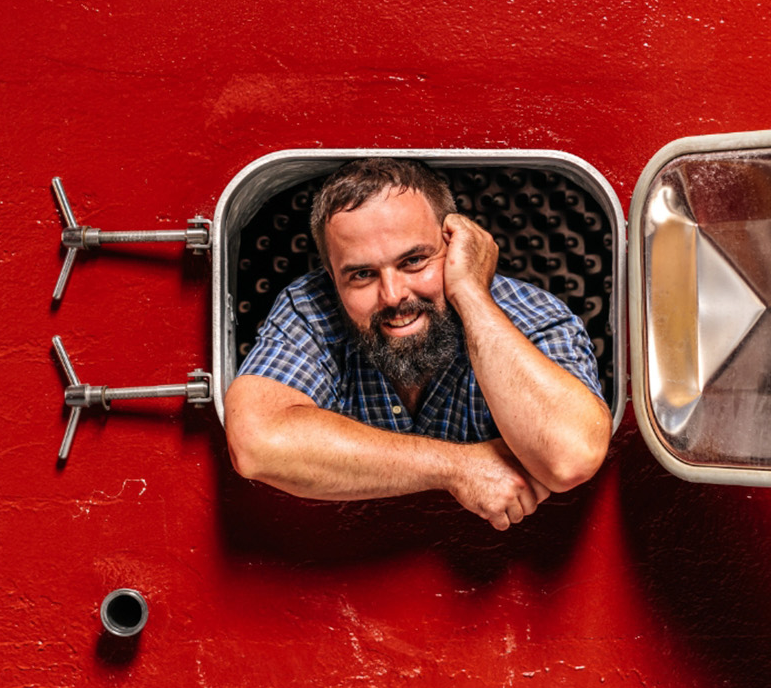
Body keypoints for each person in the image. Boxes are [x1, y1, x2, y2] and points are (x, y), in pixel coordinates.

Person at [224, 158, 612, 530]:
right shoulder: (312, 306)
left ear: (455, 248)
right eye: (361, 274)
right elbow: (258, 441)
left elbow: (571, 457)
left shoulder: (534, 316)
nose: (392, 295)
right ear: (331, 276)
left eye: (414, 261)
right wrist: (459, 467)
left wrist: (471, 294)